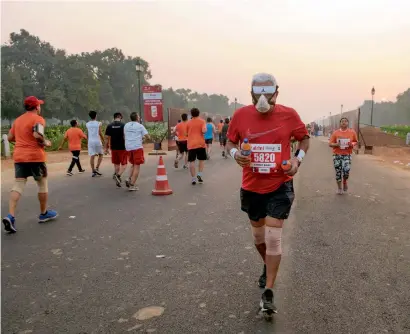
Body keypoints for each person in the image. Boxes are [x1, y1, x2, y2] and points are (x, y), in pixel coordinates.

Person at [226, 73, 310, 316]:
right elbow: (230, 142)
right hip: (251, 186)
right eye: (257, 94)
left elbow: (304, 139)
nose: (263, 99)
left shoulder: (289, 114)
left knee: (274, 237)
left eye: (268, 94)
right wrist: (235, 155)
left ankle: (269, 292)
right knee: (258, 238)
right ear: (250, 93)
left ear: (277, 93)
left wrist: (297, 159)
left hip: (279, 184)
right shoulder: (240, 116)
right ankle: (267, 265)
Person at [2, 96, 58, 233]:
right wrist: (46, 142)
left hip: (19, 157)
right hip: (35, 157)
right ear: (37, 107)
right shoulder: (38, 119)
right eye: (39, 105)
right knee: (42, 183)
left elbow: (9, 138)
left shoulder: (18, 120)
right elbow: (37, 135)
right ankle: (44, 213)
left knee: (18, 185)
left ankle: (10, 216)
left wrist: (21, 139)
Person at [328, 117, 358, 194]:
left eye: (345, 121)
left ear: (348, 123)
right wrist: (336, 144)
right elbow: (330, 144)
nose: (344, 122)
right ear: (340, 123)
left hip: (347, 155)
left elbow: (356, 141)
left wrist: (352, 144)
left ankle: (345, 182)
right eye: (342, 121)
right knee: (338, 172)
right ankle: (339, 188)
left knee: (346, 170)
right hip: (337, 155)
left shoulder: (352, 132)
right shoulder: (335, 133)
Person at [123, 112, 150, 191]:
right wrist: (144, 139)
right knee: (137, 165)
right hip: (137, 147)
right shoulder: (140, 126)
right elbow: (147, 136)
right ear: (137, 118)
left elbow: (124, 136)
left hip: (128, 147)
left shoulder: (126, 125)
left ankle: (128, 178)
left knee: (133, 164)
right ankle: (132, 185)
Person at [104, 112, 127, 187]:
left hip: (113, 147)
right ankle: (118, 176)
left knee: (116, 164)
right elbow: (125, 136)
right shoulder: (123, 125)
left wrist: (106, 148)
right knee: (124, 164)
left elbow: (106, 138)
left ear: (114, 117)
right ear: (120, 117)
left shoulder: (110, 126)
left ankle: (117, 180)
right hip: (122, 147)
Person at [186, 108, 207, 185]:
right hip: (200, 143)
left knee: (192, 161)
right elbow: (204, 130)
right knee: (201, 160)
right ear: (199, 113)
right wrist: (204, 130)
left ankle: (193, 178)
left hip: (191, 144)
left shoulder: (188, 123)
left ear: (191, 114)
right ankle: (199, 174)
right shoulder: (202, 121)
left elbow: (186, 134)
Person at [86, 110, 104, 177]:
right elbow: (100, 133)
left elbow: (87, 134)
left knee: (92, 156)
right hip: (97, 141)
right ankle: (97, 168)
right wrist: (104, 141)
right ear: (96, 116)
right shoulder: (98, 123)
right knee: (101, 154)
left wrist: (88, 141)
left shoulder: (87, 124)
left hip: (90, 141)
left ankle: (93, 171)